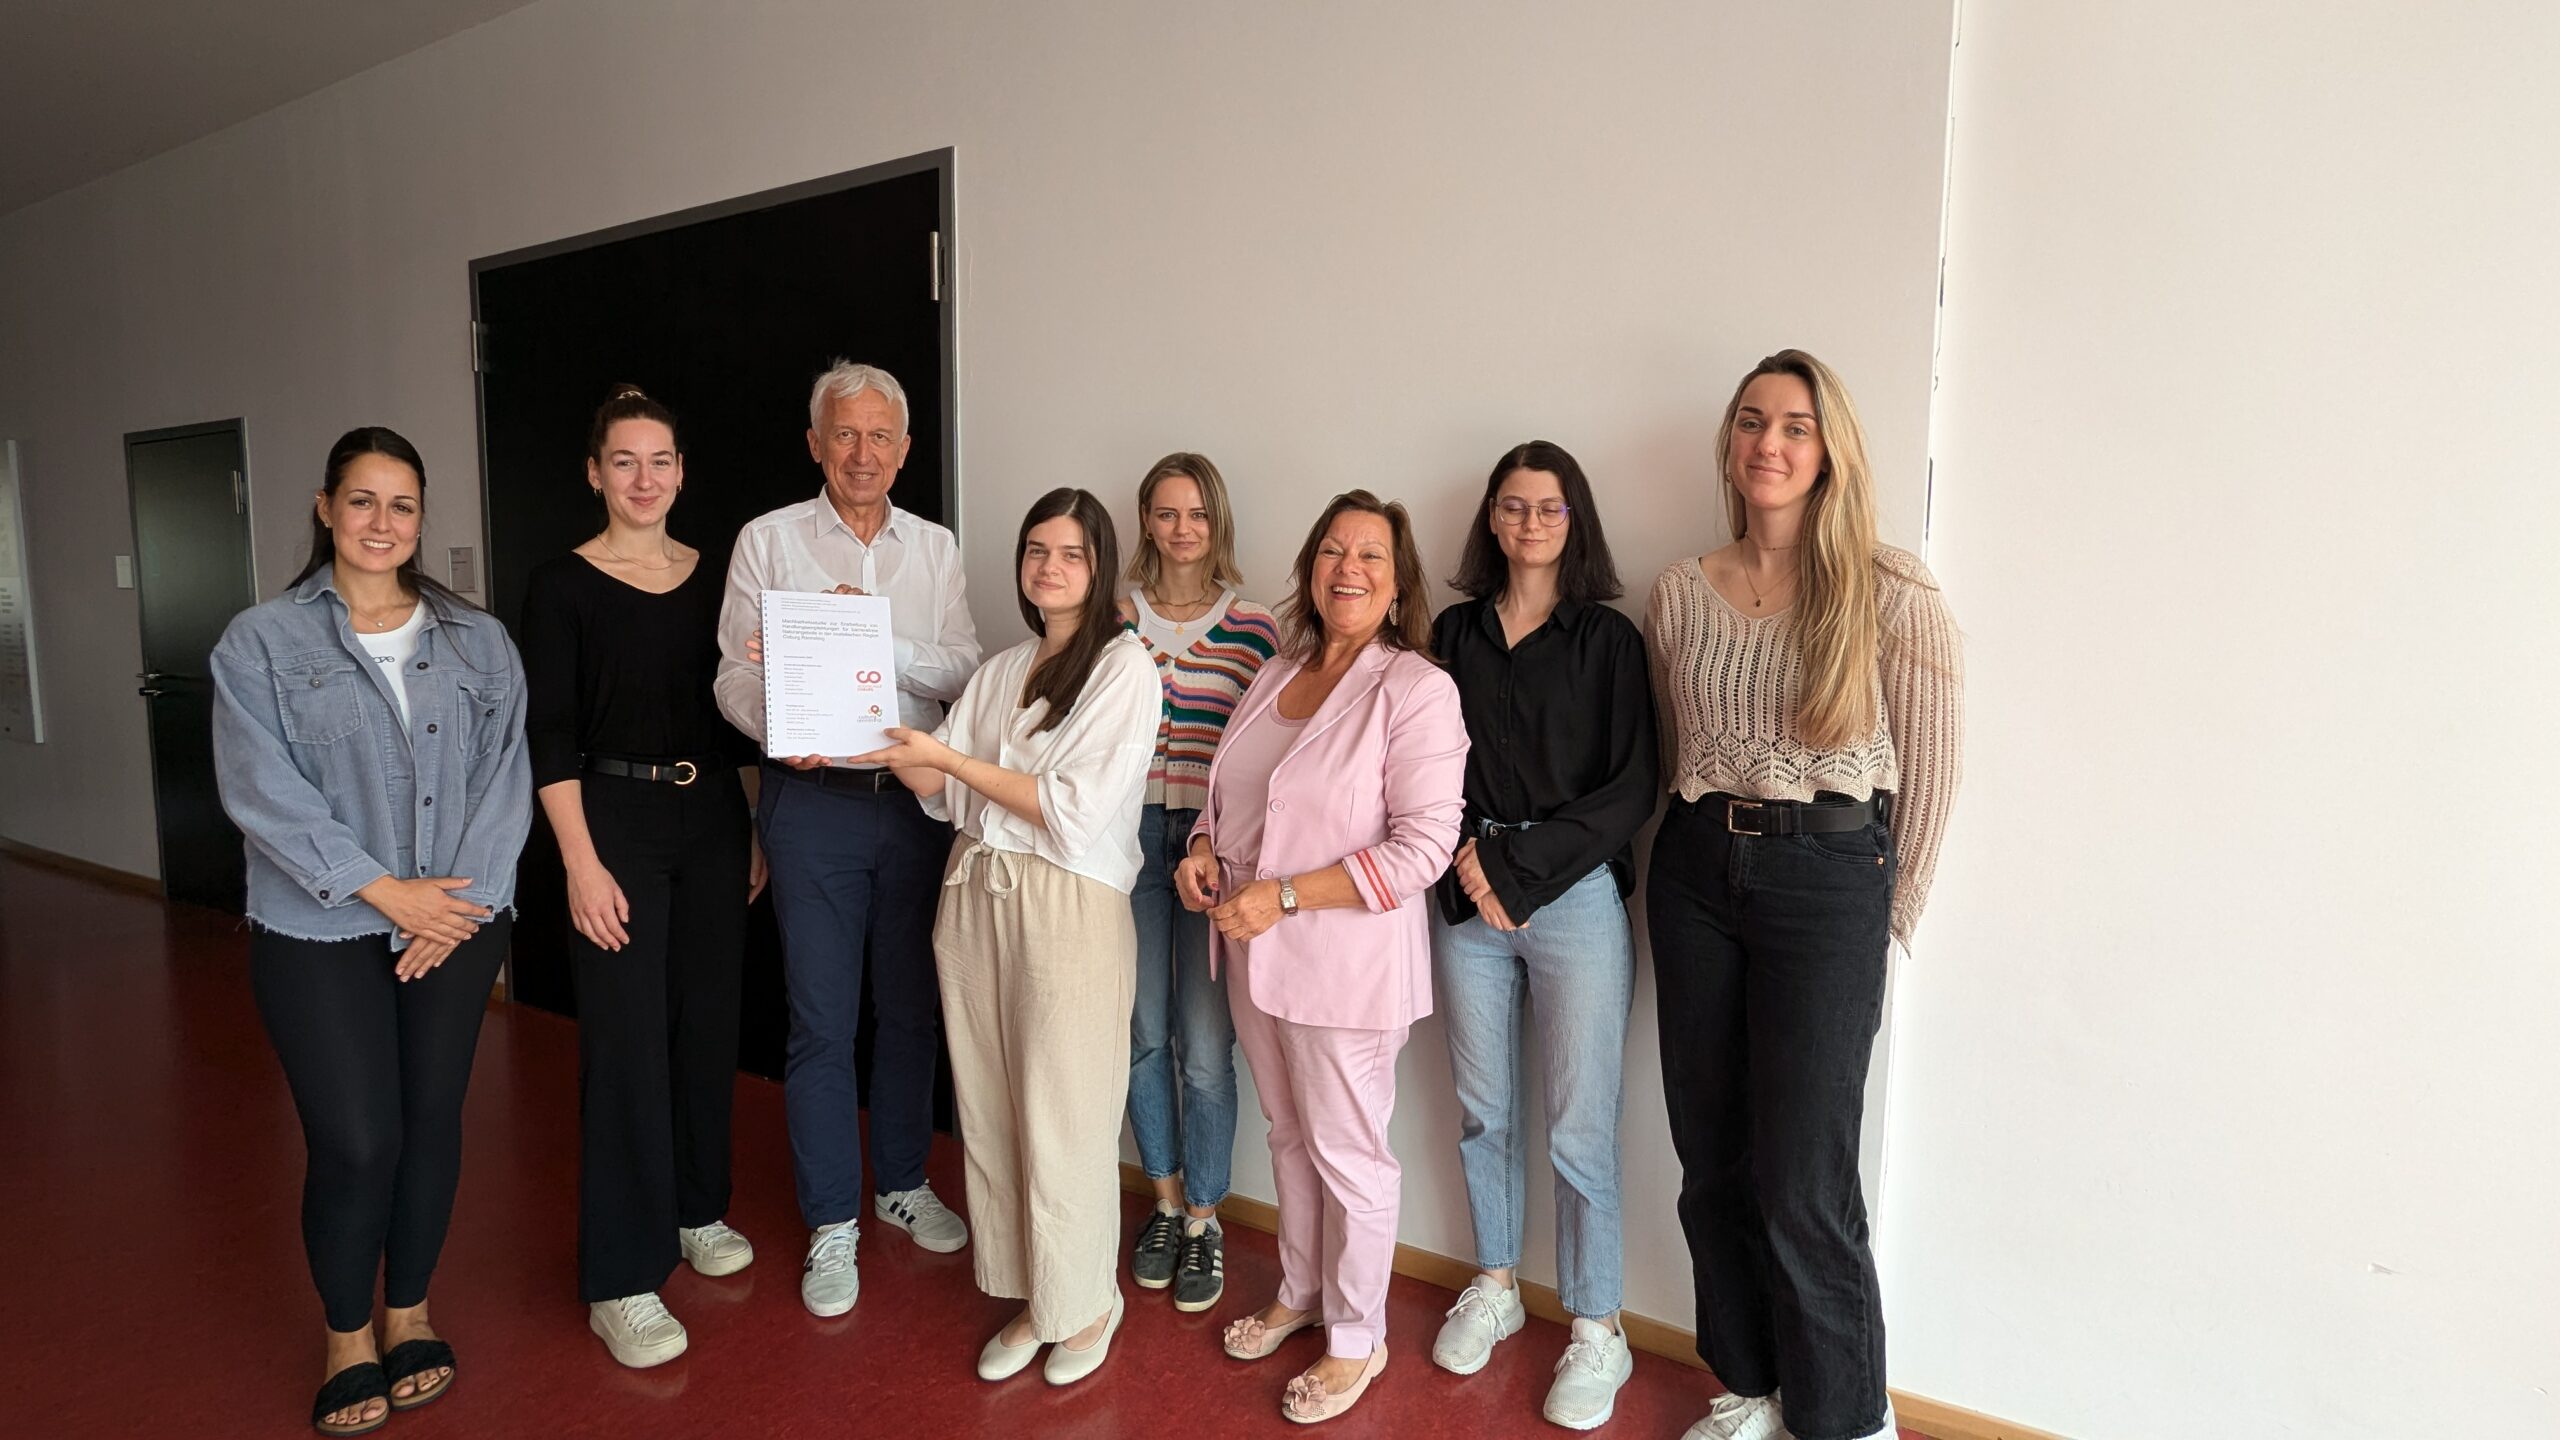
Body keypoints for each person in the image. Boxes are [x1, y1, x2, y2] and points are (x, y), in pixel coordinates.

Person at [1646, 350, 1963, 1440]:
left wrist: (1889, 913)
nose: (1767, 444)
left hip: (1826, 883)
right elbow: (1675, 744)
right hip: (1694, 873)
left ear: (1828, 450)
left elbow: (1931, 769)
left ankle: (1842, 1420)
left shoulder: (1890, 590)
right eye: (1750, 422)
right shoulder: (1681, 590)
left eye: (1793, 425)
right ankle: (1750, 1388)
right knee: (1709, 1161)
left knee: (1803, 1179)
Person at [210, 427, 531, 1436]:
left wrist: (454, 904)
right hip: (318, 927)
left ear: (420, 518)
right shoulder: (259, 641)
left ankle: (410, 1312)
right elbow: (263, 795)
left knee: (432, 1125)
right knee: (357, 1140)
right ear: (325, 508)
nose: (381, 522)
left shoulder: (477, 641)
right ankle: (347, 1334)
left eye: (401, 505)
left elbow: (504, 780)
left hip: (458, 919)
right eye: (362, 501)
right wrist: (393, 896)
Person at [846, 488, 1160, 1385]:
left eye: (1069, 553)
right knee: (994, 1108)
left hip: (1066, 907)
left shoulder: (1123, 669)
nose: (1049, 568)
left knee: (1065, 1114)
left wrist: (945, 758)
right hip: (976, 895)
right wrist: (849, 717)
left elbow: (1069, 810)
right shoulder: (1004, 666)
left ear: (1099, 567)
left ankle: (1088, 1305)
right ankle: (1039, 1297)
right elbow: (938, 789)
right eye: (1035, 551)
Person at [1179, 490, 1467, 1424]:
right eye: (1334, 550)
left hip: (1344, 967)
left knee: (1351, 1157)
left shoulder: (1416, 687)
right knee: (1290, 1139)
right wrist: (1202, 856)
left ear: (1396, 583)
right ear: (1312, 567)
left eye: (1372, 556)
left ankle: (1357, 1336)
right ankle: (1301, 1293)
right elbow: (1239, 801)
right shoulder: (1279, 669)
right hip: (1252, 952)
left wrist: (1287, 895)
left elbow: (1423, 848)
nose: (1349, 568)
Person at [713, 360, 982, 1317]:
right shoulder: (767, 541)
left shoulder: (937, 549)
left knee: (911, 1008)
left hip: (913, 803)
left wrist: (865, 638)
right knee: (821, 1020)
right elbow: (729, 682)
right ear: (815, 443)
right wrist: (781, 725)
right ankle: (833, 1222)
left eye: (881, 437)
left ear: (904, 451)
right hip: (811, 802)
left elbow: (962, 670)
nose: (862, 454)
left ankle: (902, 1184)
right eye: (845, 434)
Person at [521, 386, 765, 1368]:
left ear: (680, 472)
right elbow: (546, 734)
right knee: (623, 1042)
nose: (643, 478)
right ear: (594, 473)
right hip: (609, 819)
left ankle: (695, 1210)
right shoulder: (561, 584)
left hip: (709, 817)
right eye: (623, 460)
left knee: (706, 1025)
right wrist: (578, 863)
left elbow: (733, 714)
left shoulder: (717, 580)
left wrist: (751, 825)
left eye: (659, 460)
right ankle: (620, 1277)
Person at [1426, 441, 1658, 1430]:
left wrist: (1519, 867)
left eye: (1549, 508)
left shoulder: (1607, 640)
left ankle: (1597, 1330)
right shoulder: (1451, 633)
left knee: (1578, 1125)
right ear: (1489, 518)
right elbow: (1423, 762)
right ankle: (1495, 1283)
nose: (1529, 523)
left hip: (1570, 904)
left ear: (1575, 521)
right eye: (1513, 506)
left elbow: (1631, 788)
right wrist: (1473, 857)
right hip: (1468, 895)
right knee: (1482, 1109)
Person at [1117, 452, 1279, 1312]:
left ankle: (1207, 1218)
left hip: (1216, 849)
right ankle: (1165, 1200)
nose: (1182, 530)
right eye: (1167, 512)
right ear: (1145, 519)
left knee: (1207, 1043)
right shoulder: (1114, 617)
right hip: (1128, 838)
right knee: (1143, 1030)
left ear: (1217, 524)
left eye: (1198, 515)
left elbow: (1268, 745)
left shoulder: (1253, 625)